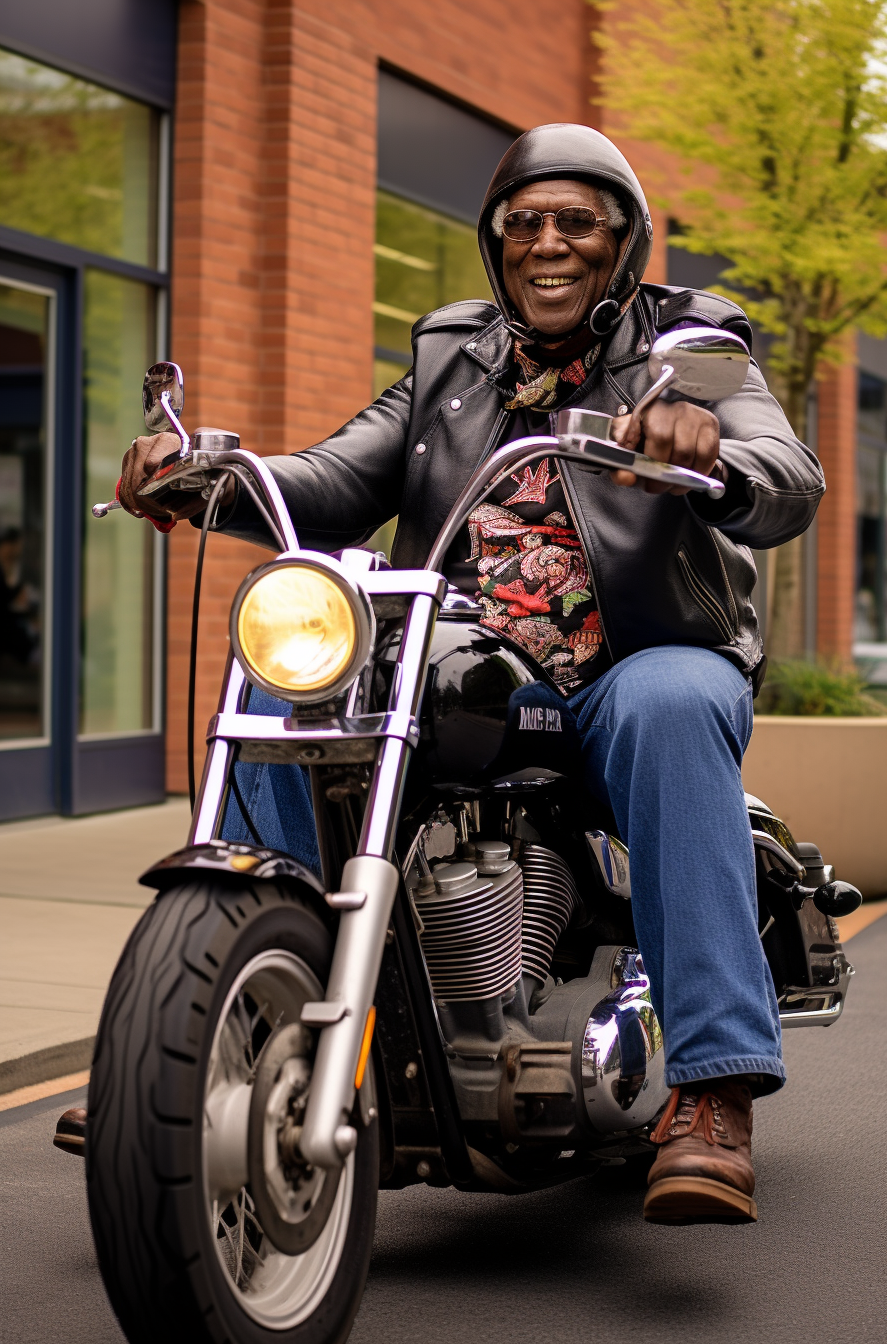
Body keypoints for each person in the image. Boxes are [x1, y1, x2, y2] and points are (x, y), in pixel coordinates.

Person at [56, 124, 823, 1224]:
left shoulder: (687, 340)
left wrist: (707, 451)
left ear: (623, 240)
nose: (545, 243)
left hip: (627, 661)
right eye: (522, 223)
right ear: (493, 239)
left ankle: (711, 1090)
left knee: (671, 701)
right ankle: (208, 1038)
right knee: (290, 686)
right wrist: (214, 471)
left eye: (575, 223)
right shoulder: (449, 356)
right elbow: (331, 475)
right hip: (464, 655)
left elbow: (782, 469)